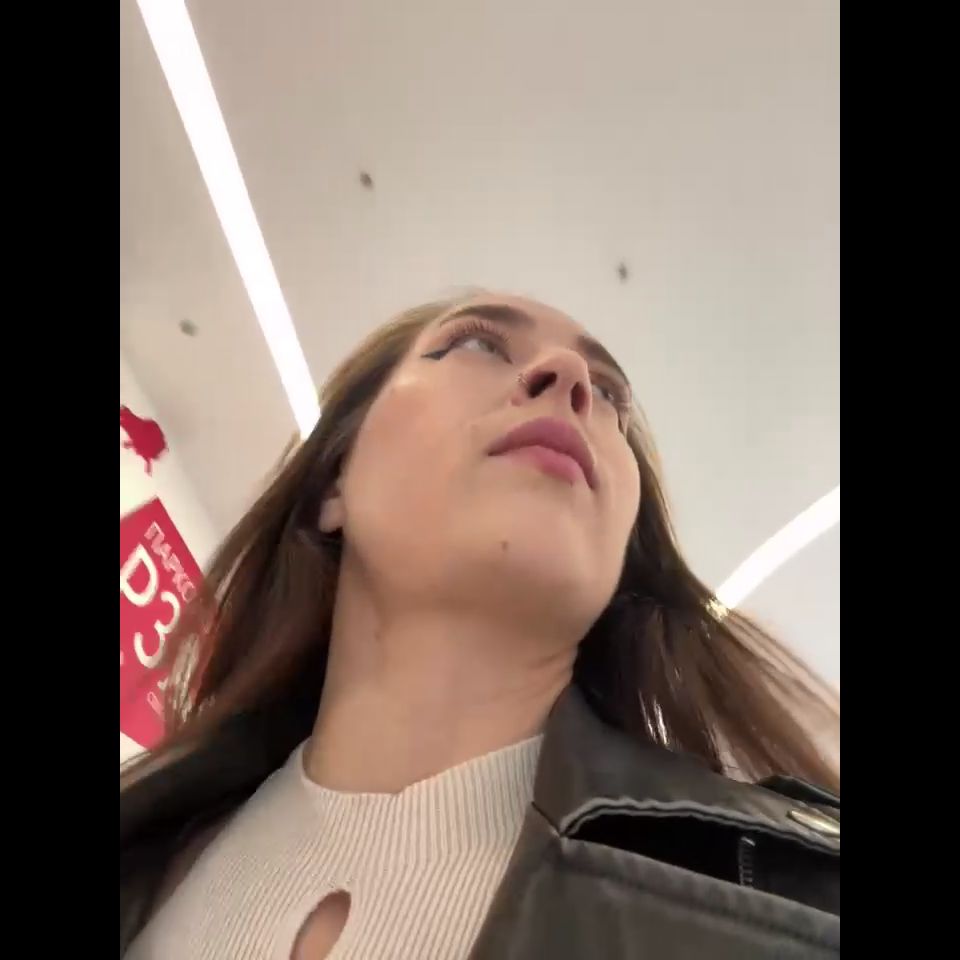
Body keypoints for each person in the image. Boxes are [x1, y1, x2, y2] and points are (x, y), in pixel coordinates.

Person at [120, 293, 840, 959]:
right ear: (332, 485)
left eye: (610, 396)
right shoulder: (150, 847)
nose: (569, 377)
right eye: (477, 344)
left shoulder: (798, 900)